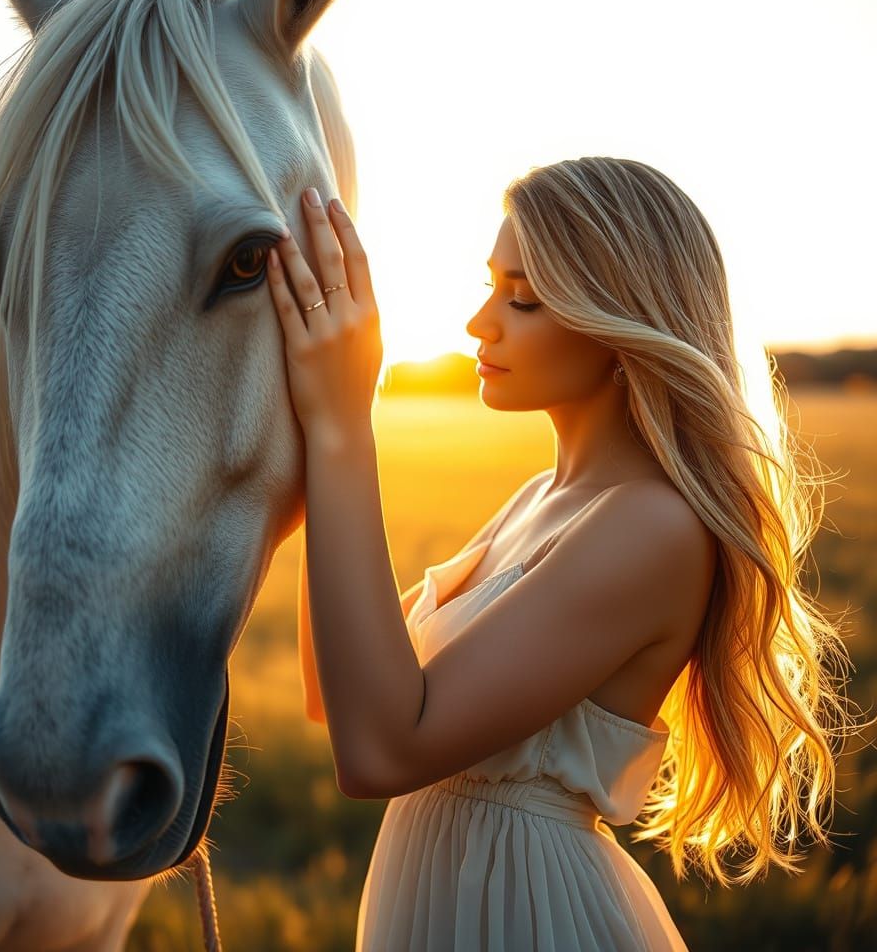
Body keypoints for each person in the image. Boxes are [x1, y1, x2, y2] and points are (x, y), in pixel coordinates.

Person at [265, 160, 855, 951]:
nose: (481, 322)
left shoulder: (652, 527)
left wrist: (343, 429)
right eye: (490, 284)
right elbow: (332, 699)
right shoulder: (540, 499)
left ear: (617, 323)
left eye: (525, 298)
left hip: (527, 916)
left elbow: (379, 752)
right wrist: (323, 426)